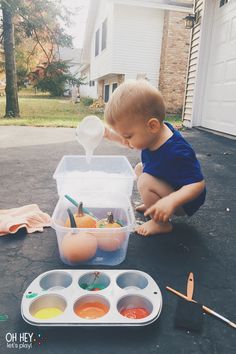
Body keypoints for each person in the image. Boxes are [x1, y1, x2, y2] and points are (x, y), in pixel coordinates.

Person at [104, 80, 206, 236]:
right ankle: (154, 204)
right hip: (170, 186)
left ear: (152, 126)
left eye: (128, 136)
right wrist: (111, 136)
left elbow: (198, 185)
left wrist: (171, 201)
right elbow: (131, 142)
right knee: (140, 168)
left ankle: (161, 224)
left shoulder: (177, 151)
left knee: (145, 180)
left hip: (183, 201)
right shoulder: (153, 134)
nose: (127, 141)